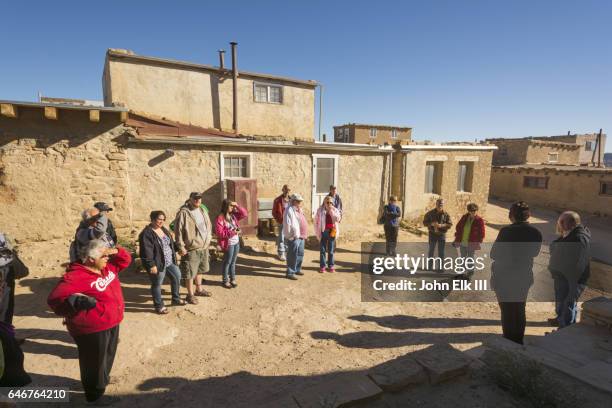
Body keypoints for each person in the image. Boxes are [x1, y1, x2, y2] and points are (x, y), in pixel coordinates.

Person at [48, 240, 131, 405]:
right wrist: (75, 303)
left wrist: (114, 250)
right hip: (92, 328)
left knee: (107, 355)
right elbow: (54, 299)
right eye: (104, 255)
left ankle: (102, 380)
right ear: (91, 259)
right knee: (93, 363)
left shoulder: (107, 267)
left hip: (112, 321)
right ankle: (94, 396)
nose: (107, 258)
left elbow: (125, 260)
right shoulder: (75, 277)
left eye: (108, 255)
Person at [491, 201, 542, 345]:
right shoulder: (536, 232)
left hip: (505, 277)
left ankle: (508, 340)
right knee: (520, 308)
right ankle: (518, 339)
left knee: (507, 310)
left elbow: (494, 253)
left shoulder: (506, 231)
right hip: (524, 276)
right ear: (528, 215)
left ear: (511, 215)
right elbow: (535, 252)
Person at [548, 211, 591, 328]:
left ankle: (566, 327)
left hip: (572, 278)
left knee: (568, 303)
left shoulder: (579, 237)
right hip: (562, 276)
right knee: (561, 301)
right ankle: (560, 319)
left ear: (572, 223)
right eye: (559, 221)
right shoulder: (569, 234)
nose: (559, 224)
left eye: (562, 221)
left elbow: (576, 260)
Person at [138, 211, 185, 314]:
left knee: (177, 276)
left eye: (163, 219)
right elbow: (146, 251)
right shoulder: (146, 233)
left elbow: (170, 244)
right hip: (157, 263)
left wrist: (178, 249)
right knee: (157, 283)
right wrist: (151, 265)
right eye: (159, 219)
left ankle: (175, 298)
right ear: (153, 219)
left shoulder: (163, 229)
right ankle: (159, 305)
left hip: (169, 261)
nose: (161, 221)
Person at [173, 192, 213, 304]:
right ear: (190, 199)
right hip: (191, 248)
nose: (198, 200)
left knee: (200, 270)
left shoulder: (202, 210)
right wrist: (180, 246)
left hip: (204, 246)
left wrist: (208, 239)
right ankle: (190, 295)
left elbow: (208, 226)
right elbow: (178, 231)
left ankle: (199, 289)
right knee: (190, 273)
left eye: (199, 198)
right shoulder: (183, 213)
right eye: (195, 198)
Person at [215, 200, 248, 288]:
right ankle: (225, 280)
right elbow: (220, 233)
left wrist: (237, 205)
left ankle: (232, 279)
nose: (233, 208)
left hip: (236, 242)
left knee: (233, 262)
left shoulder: (233, 216)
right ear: (226, 207)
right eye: (231, 206)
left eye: (233, 206)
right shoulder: (220, 218)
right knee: (227, 262)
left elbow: (244, 214)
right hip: (228, 243)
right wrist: (233, 232)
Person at [453, 203, 485, 277]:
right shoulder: (464, 217)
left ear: (476, 211)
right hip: (463, 242)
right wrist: (458, 236)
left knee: (470, 259)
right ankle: (461, 273)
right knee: (463, 258)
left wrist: (478, 241)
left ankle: (470, 274)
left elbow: (482, 232)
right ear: (468, 211)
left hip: (472, 243)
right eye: (471, 211)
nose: (473, 212)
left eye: (475, 211)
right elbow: (458, 226)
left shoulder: (479, 220)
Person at [283, 194, 308, 280]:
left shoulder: (299, 209)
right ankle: (290, 272)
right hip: (294, 236)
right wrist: (291, 236)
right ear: (293, 201)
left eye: (300, 201)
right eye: (298, 201)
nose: (299, 202)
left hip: (302, 236)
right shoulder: (289, 210)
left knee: (300, 253)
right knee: (292, 254)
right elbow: (287, 224)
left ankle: (297, 269)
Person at [314, 196, 342, 273]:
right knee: (322, 250)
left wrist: (331, 211)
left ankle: (331, 266)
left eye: (330, 202)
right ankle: (322, 266)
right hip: (323, 232)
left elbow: (338, 219)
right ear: (324, 202)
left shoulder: (335, 210)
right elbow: (316, 222)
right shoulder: (320, 210)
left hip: (332, 231)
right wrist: (317, 233)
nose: (329, 204)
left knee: (331, 250)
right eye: (327, 202)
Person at [423, 199, 452, 269]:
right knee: (431, 251)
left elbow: (450, 224)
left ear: (443, 205)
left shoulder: (446, 214)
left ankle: (440, 268)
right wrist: (431, 224)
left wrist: (442, 225)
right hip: (432, 234)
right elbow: (424, 223)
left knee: (441, 252)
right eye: (438, 205)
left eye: (441, 205)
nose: (440, 206)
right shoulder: (430, 213)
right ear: (436, 204)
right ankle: (430, 267)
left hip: (442, 235)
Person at [272, 185, 291, 261]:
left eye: (288, 190)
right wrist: (278, 219)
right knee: (281, 238)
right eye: (285, 190)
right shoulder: (278, 200)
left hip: (290, 222)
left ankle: (286, 251)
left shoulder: (292, 200)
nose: (287, 191)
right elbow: (274, 212)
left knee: (288, 237)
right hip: (282, 222)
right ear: (282, 190)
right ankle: (281, 252)